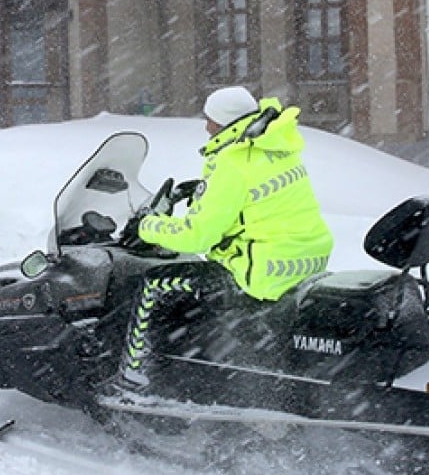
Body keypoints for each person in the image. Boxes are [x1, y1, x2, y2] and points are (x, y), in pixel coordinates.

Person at [113, 86, 334, 390]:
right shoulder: (275, 147)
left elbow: (196, 237)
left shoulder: (232, 162)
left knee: (154, 285)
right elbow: (258, 206)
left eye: (211, 120)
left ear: (226, 122)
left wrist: (146, 227)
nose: (206, 127)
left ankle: (133, 383)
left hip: (260, 273)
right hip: (300, 262)